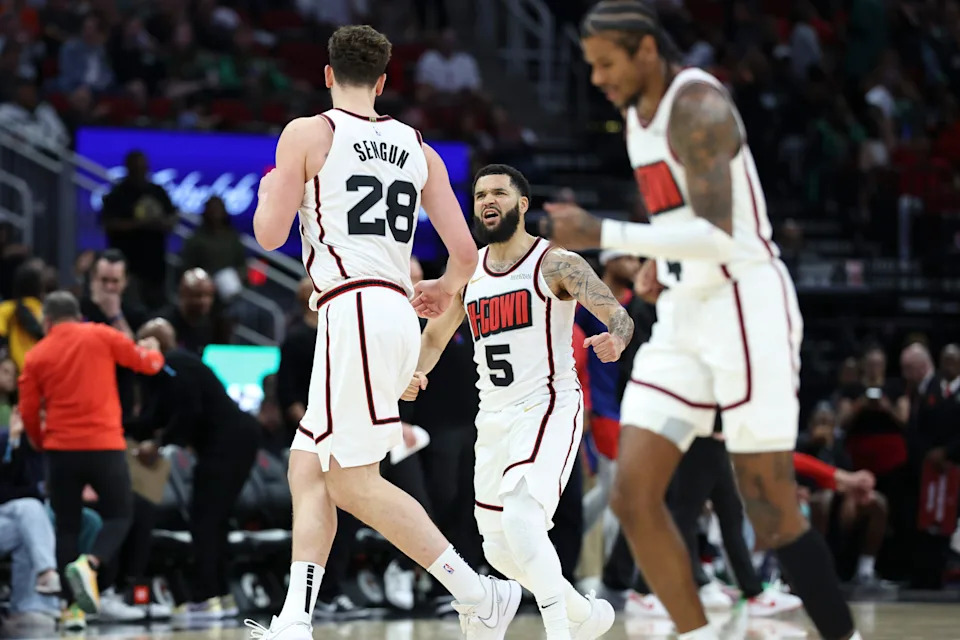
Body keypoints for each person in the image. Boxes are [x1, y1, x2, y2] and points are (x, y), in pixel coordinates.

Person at [544, 2, 862, 639]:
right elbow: (678, 219)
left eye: (607, 64)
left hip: (745, 303)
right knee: (634, 495)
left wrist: (605, 231)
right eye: (591, 67)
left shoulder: (697, 106)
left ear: (645, 52)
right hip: (687, 309)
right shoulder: (637, 117)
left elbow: (722, 232)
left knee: (770, 507)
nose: (599, 79)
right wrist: (661, 258)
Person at [247, 25, 519, 640]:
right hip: (389, 308)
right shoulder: (416, 145)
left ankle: (477, 592)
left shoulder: (309, 132)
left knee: (352, 480)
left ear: (326, 75)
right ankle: (295, 619)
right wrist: (445, 290)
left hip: (354, 310)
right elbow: (466, 253)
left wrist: (271, 187)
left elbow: (268, 235)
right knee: (307, 464)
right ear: (383, 81)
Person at [406, 164, 632, 640]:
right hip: (493, 416)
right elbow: (435, 336)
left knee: (525, 521)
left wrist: (616, 337)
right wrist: (416, 372)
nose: (488, 201)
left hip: (547, 404)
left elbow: (619, 316)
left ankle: (559, 633)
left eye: (500, 193)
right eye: (481, 194)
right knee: (497, 549)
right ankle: (583, 615)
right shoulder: (467, 273)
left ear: (522, 204)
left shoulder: (557, 263)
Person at [16, 291, 164, 628]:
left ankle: (72, 610)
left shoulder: (37, 354)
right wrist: (154, 352)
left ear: (48, 321)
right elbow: (147, 364)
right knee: (121, 513)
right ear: (77, 315)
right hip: (105, 446)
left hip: (61, 450)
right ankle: (91, 563)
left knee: (66, 527)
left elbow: (27, 410)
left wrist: (41, 442)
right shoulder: (100, 334)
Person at [135, 318, 259, 619]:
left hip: (228, 444)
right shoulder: (168, 373)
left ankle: (208, 596)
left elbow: (188, 410)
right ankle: (223, 597)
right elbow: (154, 417)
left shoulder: (172, 362)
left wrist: (162, 444)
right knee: (215, 520)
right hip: (235, 441)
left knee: (205, 518)